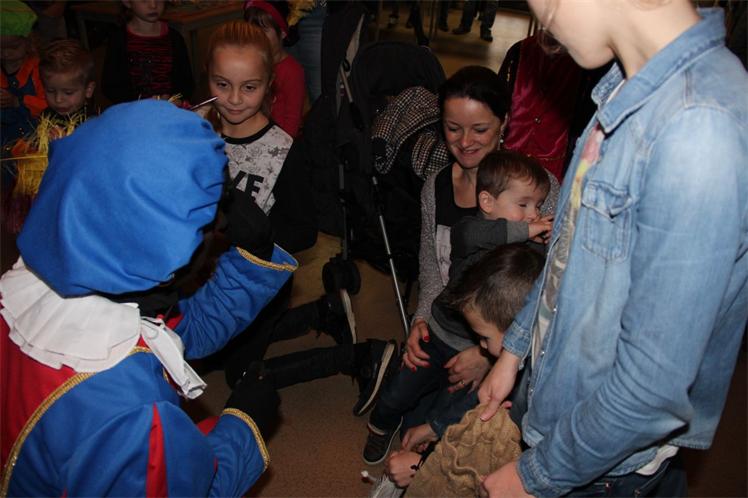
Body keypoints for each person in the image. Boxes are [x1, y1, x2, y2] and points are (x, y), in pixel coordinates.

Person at [477, 1, 748, 497]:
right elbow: (566, 258)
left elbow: (651, 386)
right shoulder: (626, 86)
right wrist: (514, 351)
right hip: (564, 400)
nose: (543, 18)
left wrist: (535, 475)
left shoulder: (699, 128)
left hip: (601, 457)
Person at [0, 99, 297, 496]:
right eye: (205, 221)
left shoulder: (38, 292)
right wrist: (245, 425)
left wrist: (254, 258)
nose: (221, 224)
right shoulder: (136, 418)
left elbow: (183, 333)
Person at [362, 151, 552, 465]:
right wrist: (527, 231)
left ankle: (425, 446)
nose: (534, 215)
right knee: (399, 392)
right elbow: (482, 235)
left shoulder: (528, 245)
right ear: (487, 202)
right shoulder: (469, 230)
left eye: (538, 206)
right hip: (437, 334)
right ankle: (380, 425)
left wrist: (545, 241)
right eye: (524, 205)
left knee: (445, 413)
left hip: (476, 349)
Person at [382, 242, 545, 489]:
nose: (480, 346)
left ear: (517, 330)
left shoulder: (537, 396)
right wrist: (434, 428)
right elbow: (475, 403)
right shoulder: (516, 360)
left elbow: (489, 470)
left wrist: (422, 467)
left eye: (484, 337)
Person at [5, 38, 95, 234]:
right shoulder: (47, 114)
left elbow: (88, 165)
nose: (58, 99)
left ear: (88, 90)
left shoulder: (91, 123)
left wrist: (64, 146)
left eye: (68, 92)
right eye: (50, 91)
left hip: (75, 197)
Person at [101, 0, 193, 105]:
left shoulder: (175, 38)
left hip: (170, 109)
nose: (153, 5)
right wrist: (138, 104)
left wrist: (176, 99)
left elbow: (187, 83)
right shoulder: (118, 40)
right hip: (134, 111)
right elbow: (110, 86)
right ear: (127, 2)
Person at [244, 0, 305, 138]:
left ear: (282, 32)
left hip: (279, 140)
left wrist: (282, 144)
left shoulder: (292, 71)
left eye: (264, 30)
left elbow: (292, 120)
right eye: (253, 31)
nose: (257, 36)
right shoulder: (251, 64)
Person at [1, 0, 46, 149]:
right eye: (0, 48)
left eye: (13, 47)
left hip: (32, 138)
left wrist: (18, 101)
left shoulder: (39, 70)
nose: (6, 53)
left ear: (29, 42)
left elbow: (49, 106)